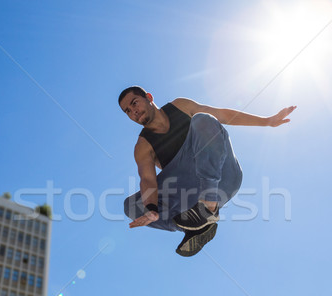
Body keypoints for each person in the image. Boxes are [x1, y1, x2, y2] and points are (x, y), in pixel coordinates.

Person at [120, 86, 295, 257]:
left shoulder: (180, 106)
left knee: (203, 119)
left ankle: (208, 204)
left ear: (149, 97)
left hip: (224, 178)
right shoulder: (143, 146)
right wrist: (151, 209)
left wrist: (267, 121)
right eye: (127, 111)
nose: (133, 112)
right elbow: (147, 180)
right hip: (191, 195)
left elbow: (223, 116)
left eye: (134, 103)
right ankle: (193, 226)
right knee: (131, 206)